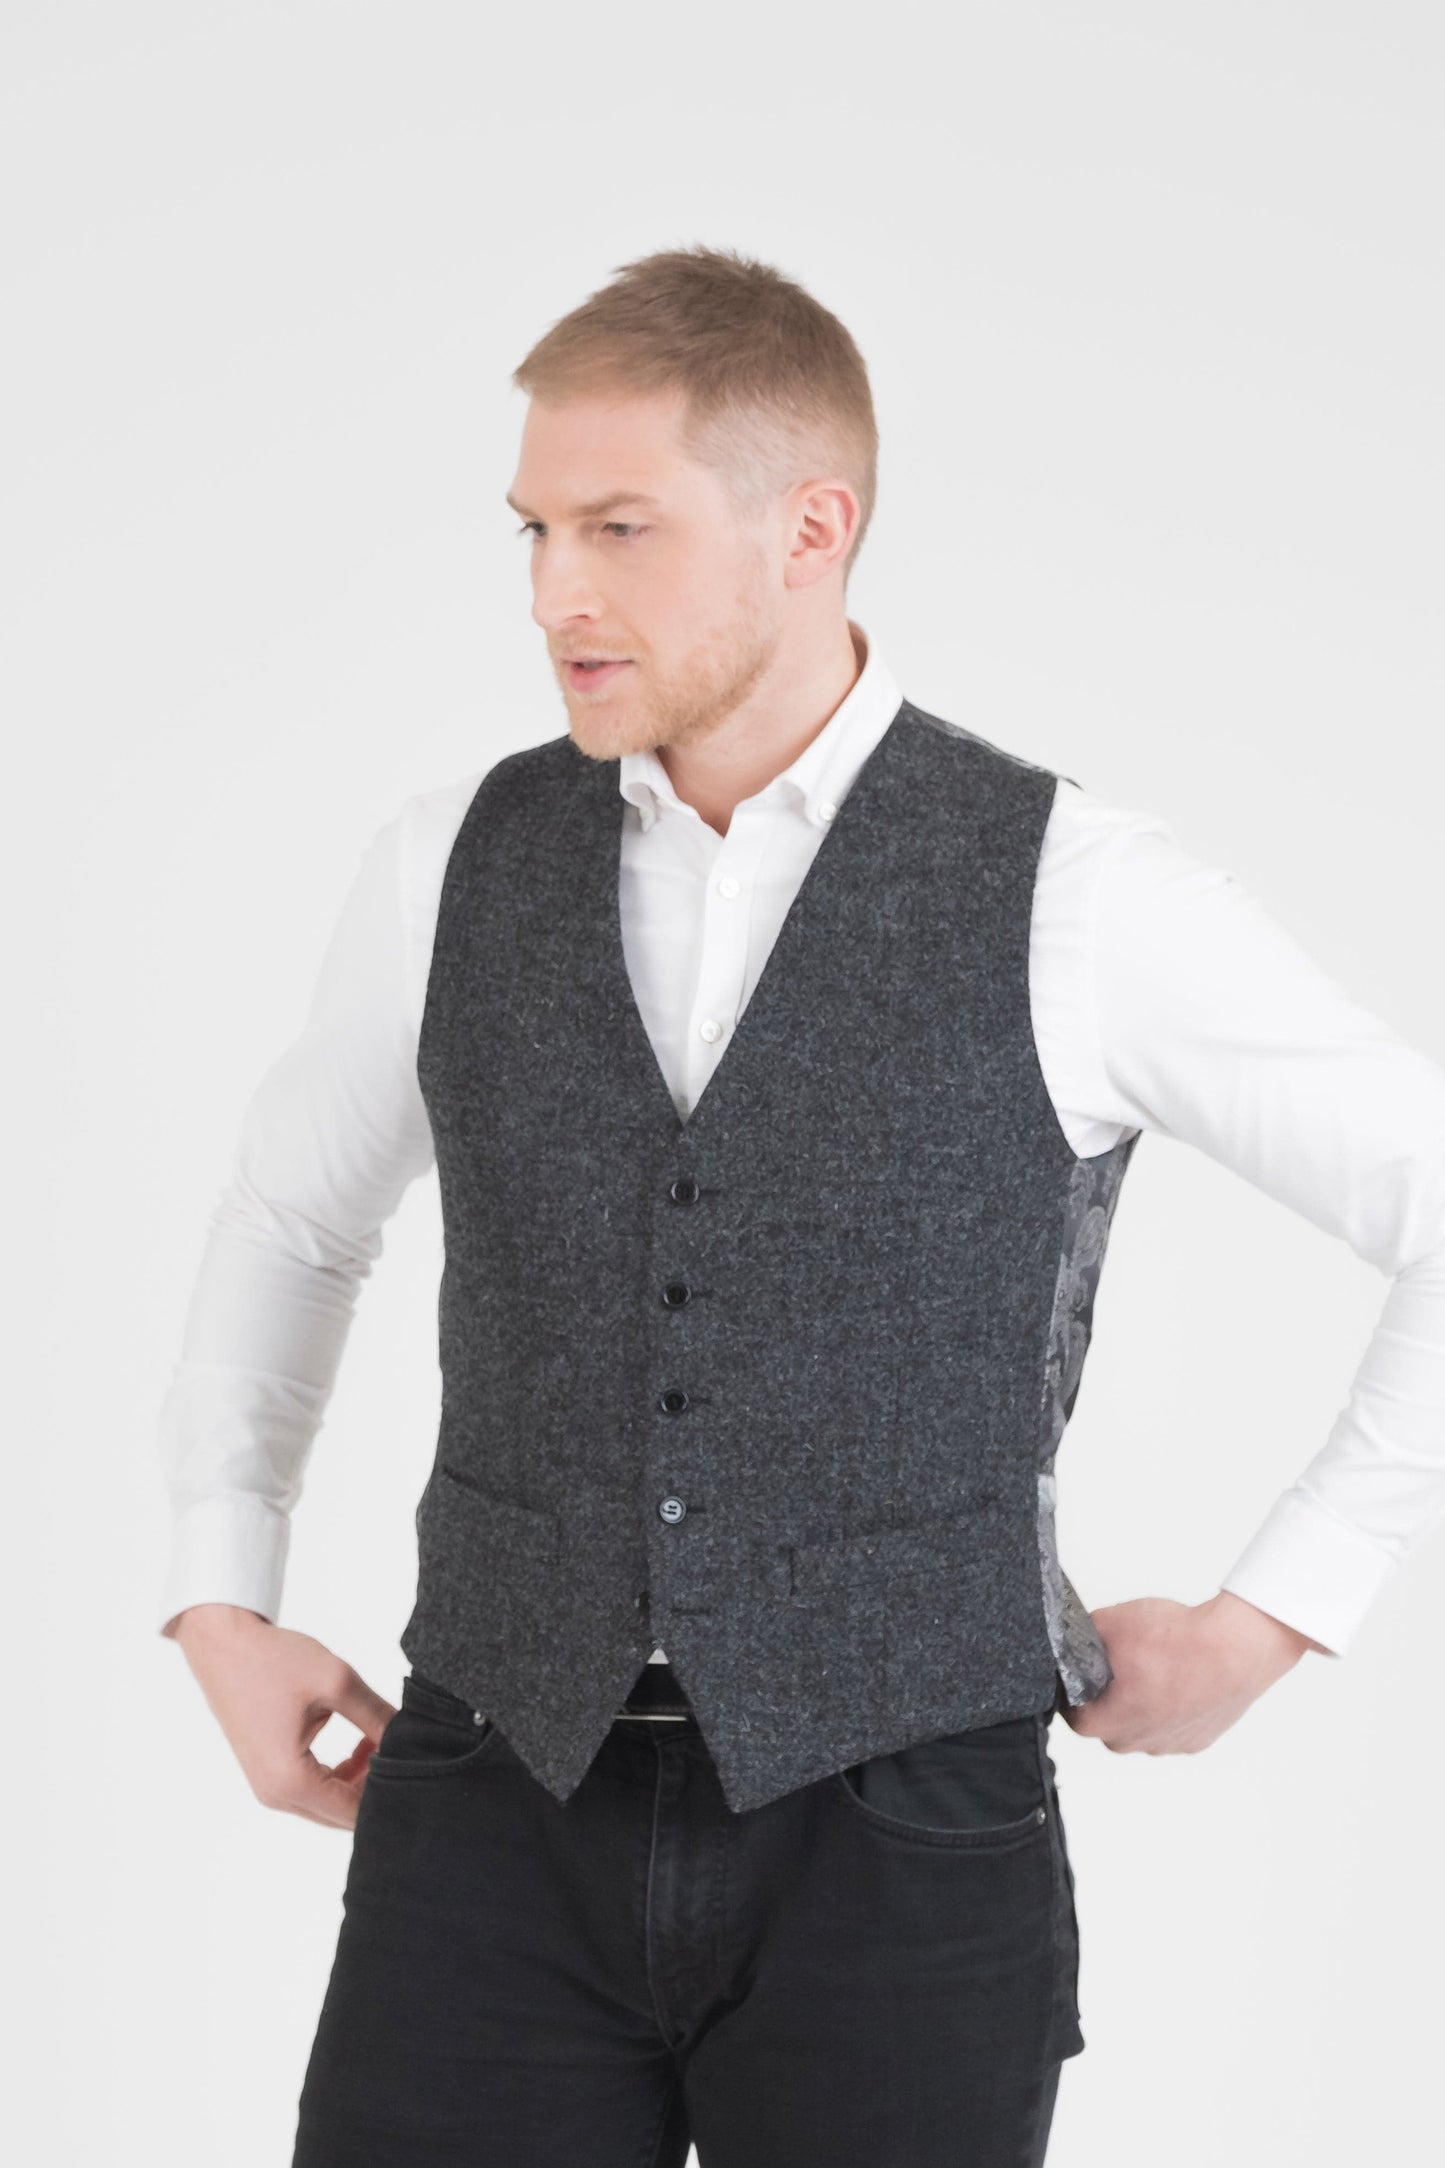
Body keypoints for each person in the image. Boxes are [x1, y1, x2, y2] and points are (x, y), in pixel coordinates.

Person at [158, 245, 1445, 2167]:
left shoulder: (1077, 892)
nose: (554, 593)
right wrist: (220, 1586)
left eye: (618, 528)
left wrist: (1276, 1616)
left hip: (902, 1841)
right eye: (531, 531)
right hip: (489, 1802)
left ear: (809, 528)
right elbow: (290, 1220)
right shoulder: (450, 863)